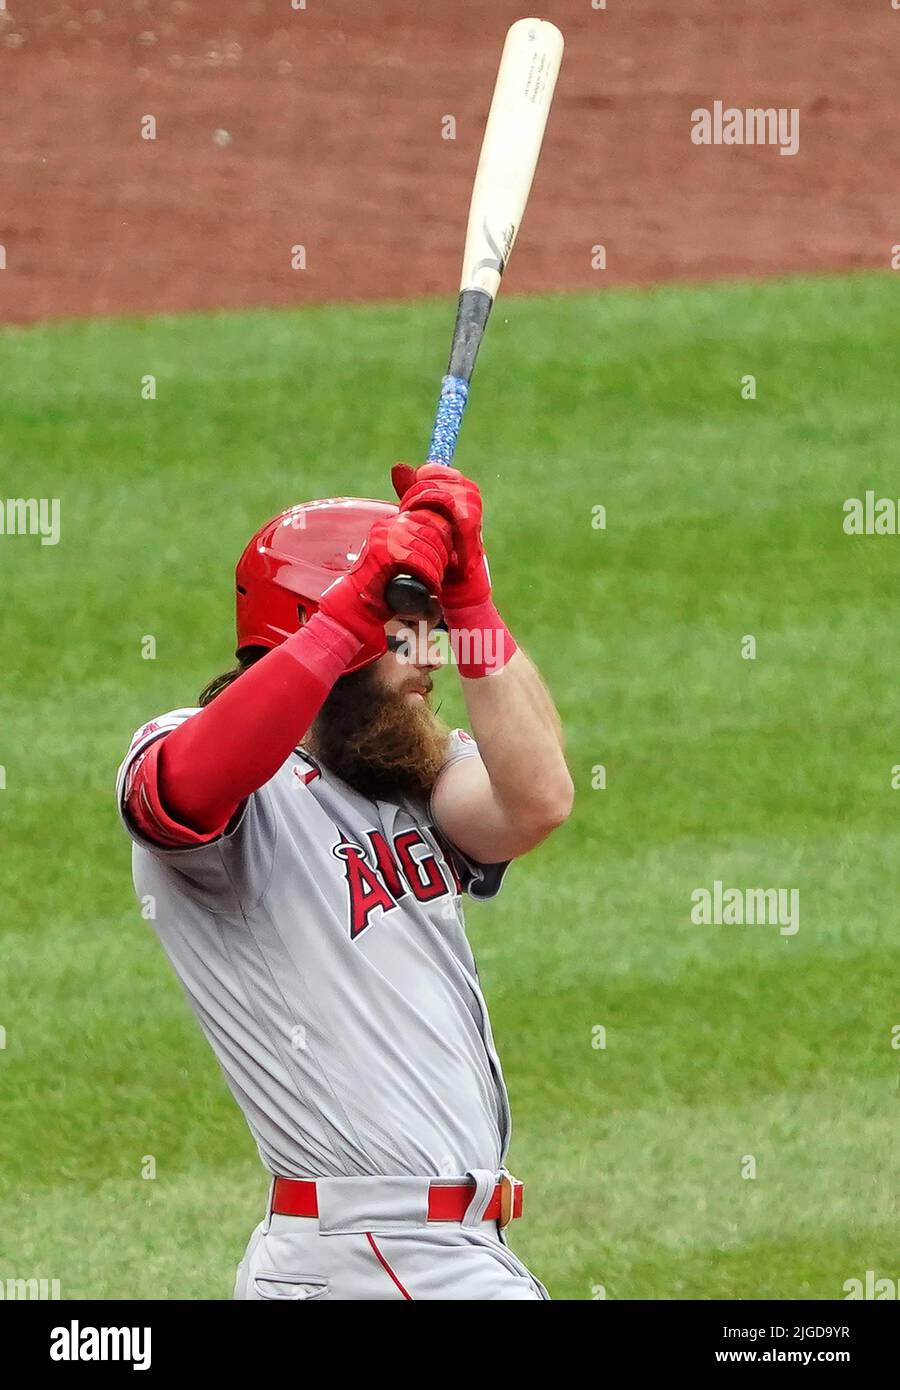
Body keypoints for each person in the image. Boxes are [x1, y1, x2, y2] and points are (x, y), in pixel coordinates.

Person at [116, 463, 573, 1300]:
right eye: (411, 627)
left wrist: (474, 601)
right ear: (327, 617)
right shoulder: (207, 771)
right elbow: (184, 787)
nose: (433, 657)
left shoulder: (407, 775)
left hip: (419, 1258)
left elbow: (537, 798)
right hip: (375, 1253)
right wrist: (351, 617)